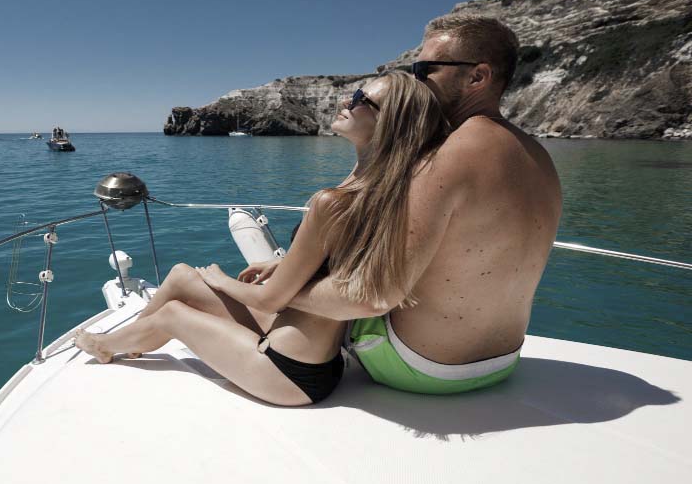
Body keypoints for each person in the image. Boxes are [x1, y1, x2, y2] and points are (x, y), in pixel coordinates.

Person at [75, 71, 450, 405]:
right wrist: (279, 263)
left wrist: (220, 278)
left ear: (390, 123)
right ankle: (134, 338)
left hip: (287, 371)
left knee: (174, 312)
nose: (344, 102)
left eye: (360, 100)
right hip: (318, 356)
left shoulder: (332, 201)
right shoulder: (376, 188)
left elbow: (271, 299)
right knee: (180, 275)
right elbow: (339, 259)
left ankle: (107, 346)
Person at [286, 14, 563, 394]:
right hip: (502, 363)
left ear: (477, 77)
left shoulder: (449, 157)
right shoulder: (539, 156)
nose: (415, 79)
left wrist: (283, 293)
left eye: (424, 69)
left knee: (307, 280)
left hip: (419, 367)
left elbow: (373, 298)